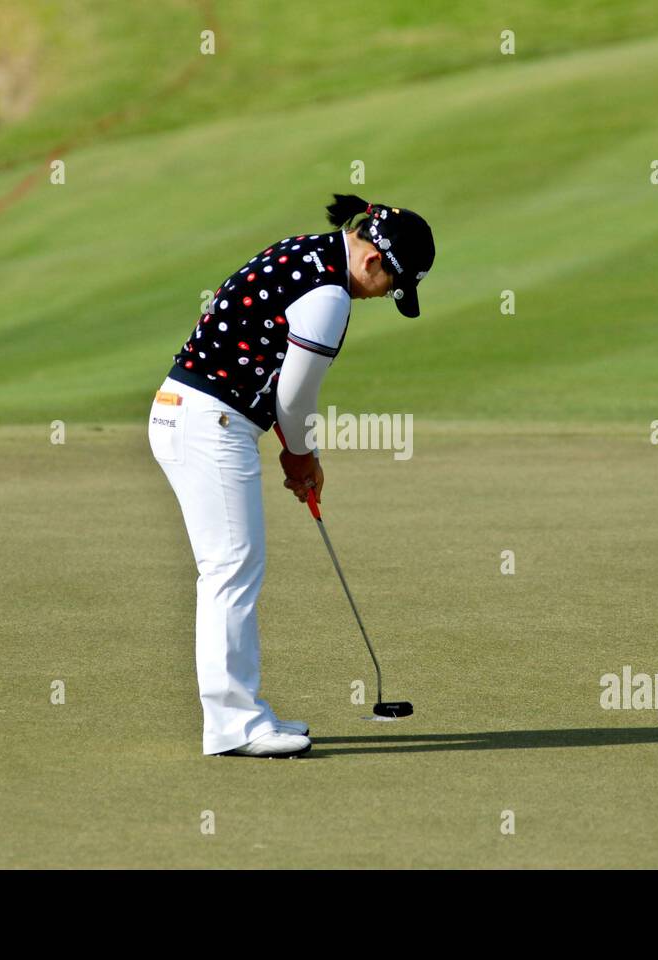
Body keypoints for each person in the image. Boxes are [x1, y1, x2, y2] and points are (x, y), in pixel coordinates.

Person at [148, 193, 435, 758]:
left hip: (198, 415)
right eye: (391, 288)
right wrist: (302, 456)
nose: (382, 298)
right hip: (209, 423)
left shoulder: (305, 252)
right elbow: (296, 393)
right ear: (375, 262)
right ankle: (234, 725)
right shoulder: (329, 293)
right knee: (231, 567)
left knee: (231, 566)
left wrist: (293, 447)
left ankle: (245, 715)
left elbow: (274, 370)